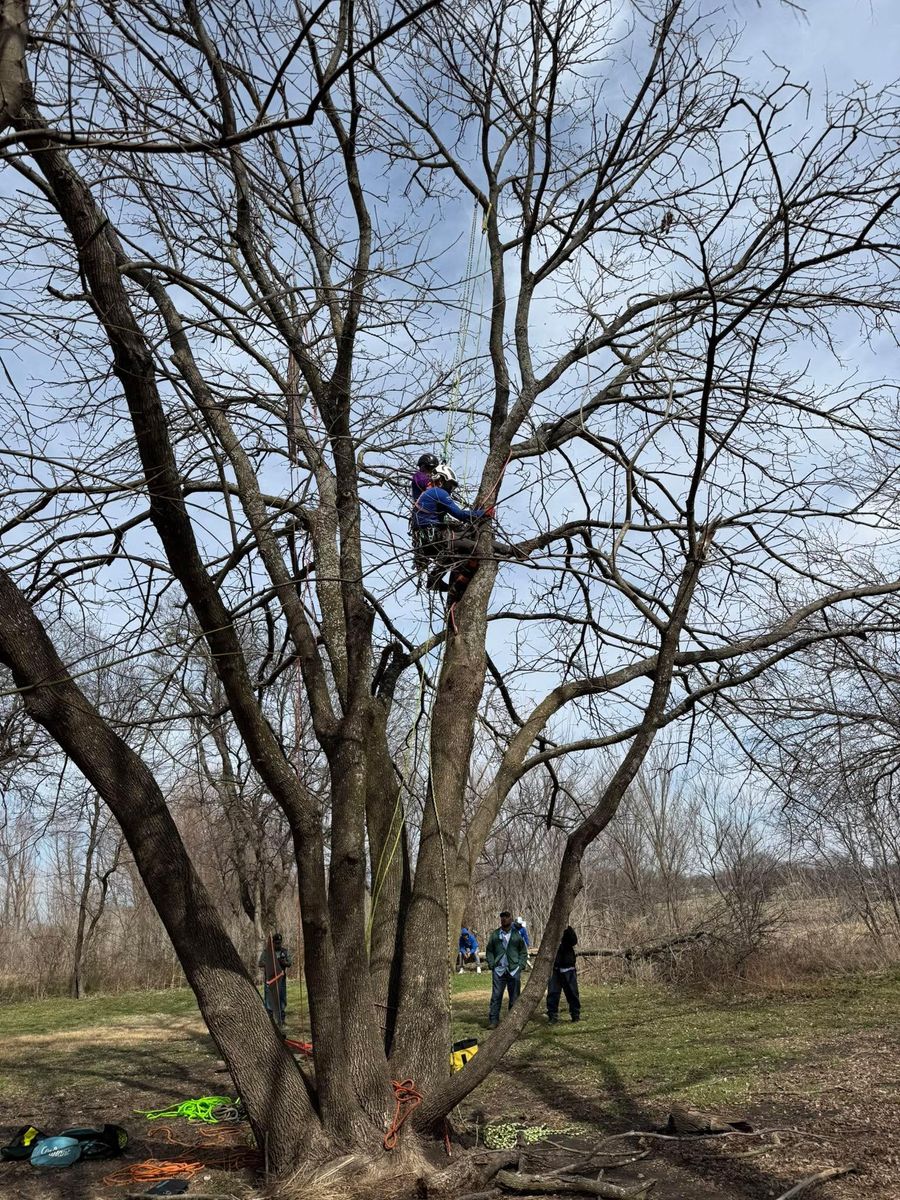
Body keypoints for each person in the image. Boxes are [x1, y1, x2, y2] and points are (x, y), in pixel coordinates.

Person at [412, 463, 492, 593]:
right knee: (477, 549)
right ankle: (459, 584)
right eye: (450, 485)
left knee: (457, 550)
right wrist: (483, 513)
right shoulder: (438, 492)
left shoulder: (428, 494)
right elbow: (460, 514)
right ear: (441, 480)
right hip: (435, 537)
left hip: (426, 541)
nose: (450, 490)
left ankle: (434, 578)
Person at [485, 910, 528, 1028]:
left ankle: (512, 1022)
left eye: (506, 917)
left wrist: (520, 965)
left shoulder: (516, 935)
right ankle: (493, 1021)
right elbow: (489, 951)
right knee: (496, 996)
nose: (504, 919)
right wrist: (492, 964)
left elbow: (523, 952)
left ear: (511, 919)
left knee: (514, 997)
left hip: (513, 970)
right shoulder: (495, 934)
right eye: (502, 917)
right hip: (499, 970)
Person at [547, 925, 580, 1023]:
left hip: (568, 969)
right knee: (553, 993)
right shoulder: (552, 931)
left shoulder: (568, 931)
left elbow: (574, 941)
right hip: (555, 969)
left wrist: (566, 929)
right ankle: (552, 1016)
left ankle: (575, 1015)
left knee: (572, 993)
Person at [258, 932, 292, 1028]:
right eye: (276, 943)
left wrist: (283, 962)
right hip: (270, 980)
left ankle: (282, 1020)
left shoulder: (284, 952)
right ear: (272, 942)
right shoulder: (267, 952)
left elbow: (289, 963)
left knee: (282, 999)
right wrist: (270, 963)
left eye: (279, 943)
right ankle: (270, 1021)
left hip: (281, 979)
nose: (278, 944)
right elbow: (260, 963)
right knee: (269, 1000)